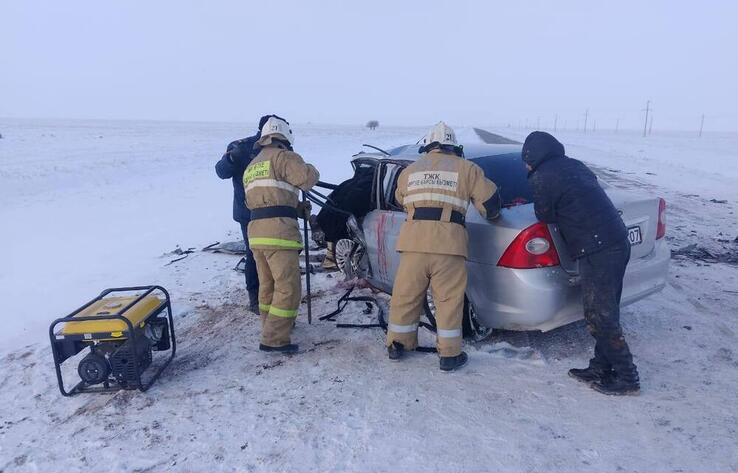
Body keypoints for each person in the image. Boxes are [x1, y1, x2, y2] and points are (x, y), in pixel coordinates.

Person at [522, 131, 640, 396]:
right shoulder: (574, 164)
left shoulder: (543, 176)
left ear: (532, 156)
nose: (525, 166)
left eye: (525, 160)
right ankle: (601, 366)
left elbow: (544, 214)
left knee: (600, 315)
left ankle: (627, 376)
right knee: (607, 310)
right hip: (617, 240)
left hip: (598, 249)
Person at [386, 122, 501, 371]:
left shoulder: (410, 171)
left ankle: (398, 344)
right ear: (454, 147)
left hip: (413, 242)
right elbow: (491, 205)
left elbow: (399, 199)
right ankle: (449, 355)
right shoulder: (468, 168)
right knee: (448, 300)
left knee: (405, 296)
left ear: (428, 146)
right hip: (449, 244)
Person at [243, 116, 319, 354]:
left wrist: (295, 207)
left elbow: (262, 200)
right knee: (288, 288)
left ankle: (269, 326)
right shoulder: (285, 157)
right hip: (279, 234)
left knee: (268, 286)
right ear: (285, 137)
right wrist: (311, 168)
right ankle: (274, 339)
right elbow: (306, 179)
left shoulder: (253, 164)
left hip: (256, 233)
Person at [215, 116, 275, 312]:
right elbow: (221, 172)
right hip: (249, 214)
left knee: (277, 253)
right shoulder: (240, 147)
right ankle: (256, 298)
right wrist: (231, 158)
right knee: (254, 254)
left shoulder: (281, 147)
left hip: (275, 210)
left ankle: (275, 293)